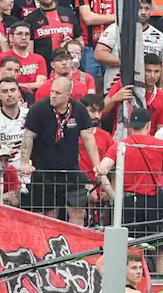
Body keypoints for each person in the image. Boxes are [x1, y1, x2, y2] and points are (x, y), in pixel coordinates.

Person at [20, 76, 103, 223]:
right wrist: (25, 162)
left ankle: (78, 246)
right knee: (49, 215)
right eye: (52, 91)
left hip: (70, 170)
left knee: (78, 212)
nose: (53, 95)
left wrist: (97, 164)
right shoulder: (39, 108)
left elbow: (88, 137)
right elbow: (28, 137)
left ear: (68, 94)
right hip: (44, 170)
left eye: (58, 93)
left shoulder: (79, 109)